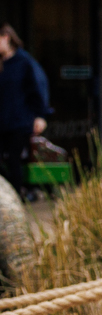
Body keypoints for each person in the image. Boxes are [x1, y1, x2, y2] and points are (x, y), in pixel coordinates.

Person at [0, 26, 51, 197]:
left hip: (20, 120)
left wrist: (40, 115)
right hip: (3, 120)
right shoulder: (2, 63)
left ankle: (16, 198)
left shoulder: (24, 62)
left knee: (14, 159)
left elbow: (38, 88)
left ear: (6, 37)